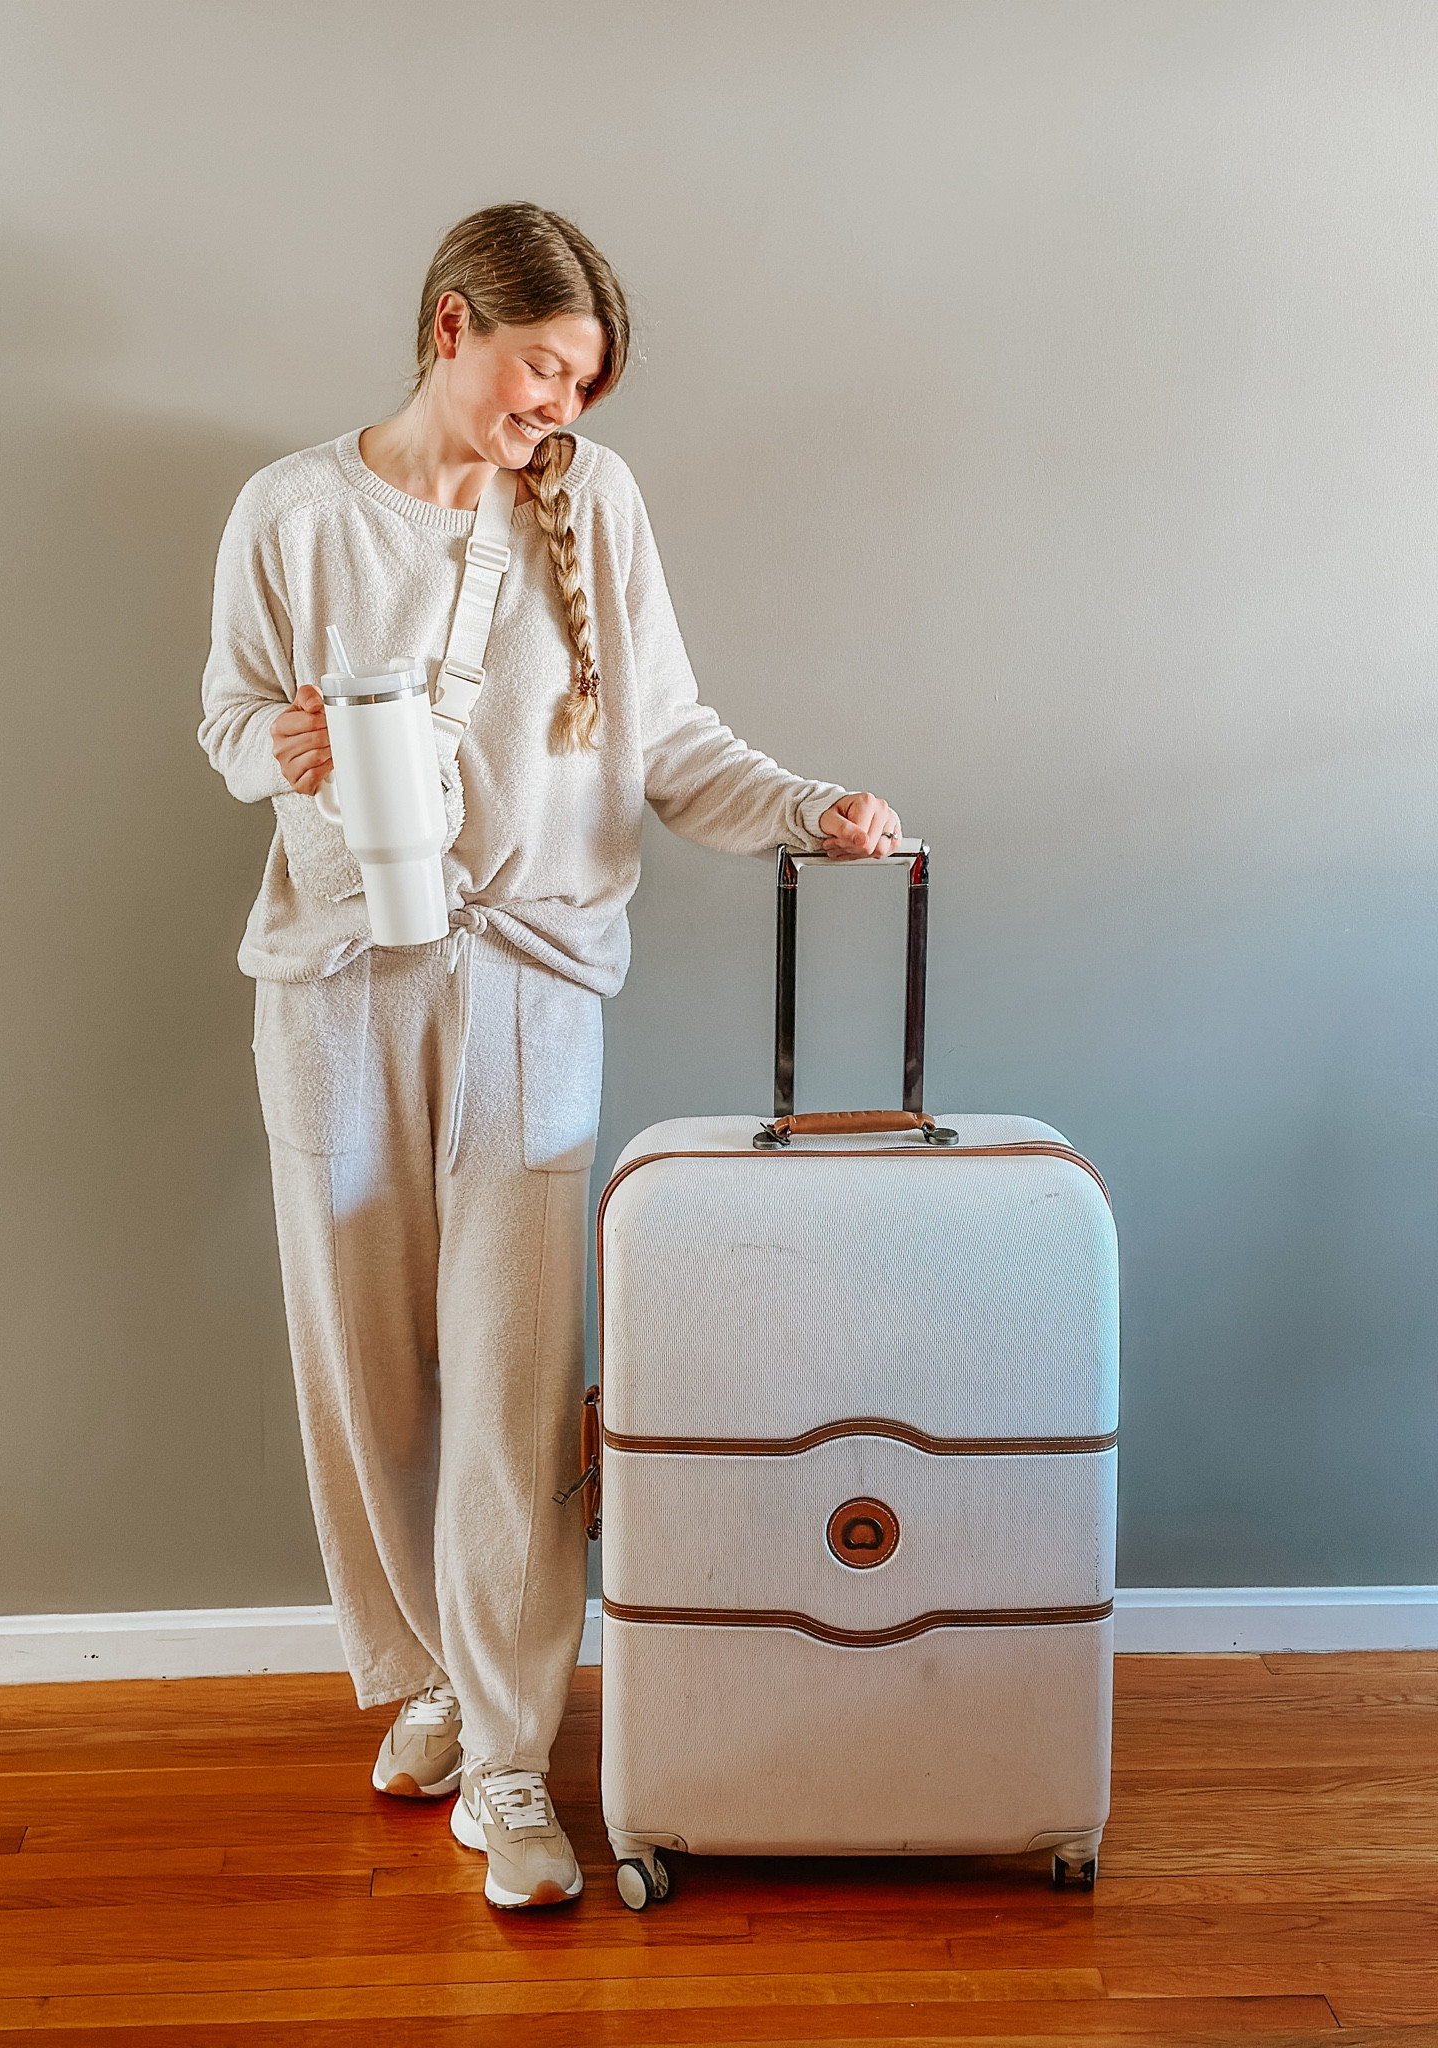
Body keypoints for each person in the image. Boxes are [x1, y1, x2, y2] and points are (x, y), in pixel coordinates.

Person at [198, 202, 902, 1909]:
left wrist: (810, 812)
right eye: (541, 368)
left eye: (581, 382)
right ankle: (436, 1677)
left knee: (515, 1389)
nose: (559, 408)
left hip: (528, 982)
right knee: (364, 1379)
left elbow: (667, 739)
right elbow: (226, 724)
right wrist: (280, 747)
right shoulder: (292, 512)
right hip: (334, 985)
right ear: (454, 327)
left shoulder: (593, 506)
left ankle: (510, 1767)